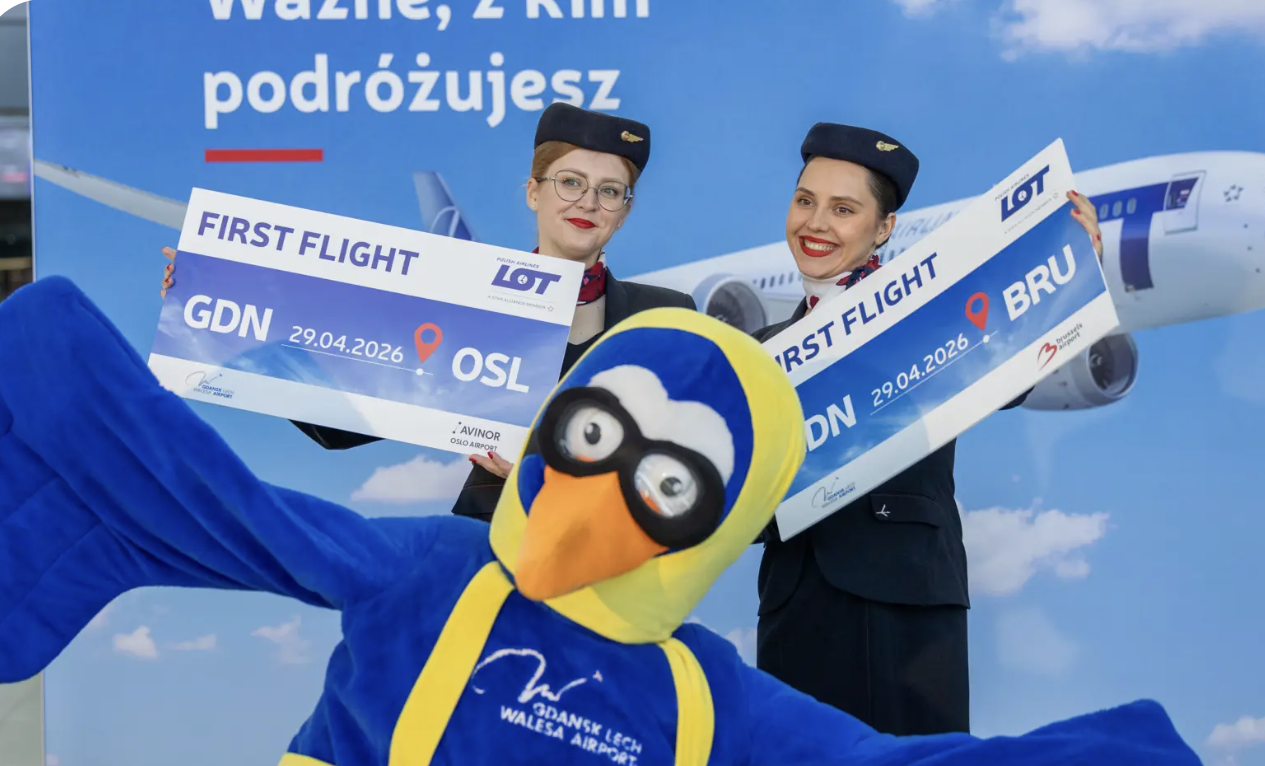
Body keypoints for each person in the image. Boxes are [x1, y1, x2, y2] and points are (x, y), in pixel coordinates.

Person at [0, 275, 1203, 766]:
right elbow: (230, 508)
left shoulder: (705, 697)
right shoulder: (431, 567)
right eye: (592, 436)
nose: (604, 492)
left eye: (673, 485)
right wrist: (70, 378)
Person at [158, 102, 696, 523]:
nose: (587, 203)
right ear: (533, 192)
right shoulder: (465, 300)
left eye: (610, 192)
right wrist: (221, 307)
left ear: (624, 214)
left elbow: (690, 470)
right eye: (570, 182)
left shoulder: (670, 319)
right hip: (486, 556)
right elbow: (341, 426)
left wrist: (548, 474)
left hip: (615, 570)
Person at [751, 122, 1103, 738]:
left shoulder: (927, 315)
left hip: (908, 602)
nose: (816, 223)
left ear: (883, 228)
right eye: (805, 201)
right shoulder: (757, 354)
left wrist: (1074, 267)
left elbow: (1010, 372)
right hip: (796, 604)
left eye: (843, 208)